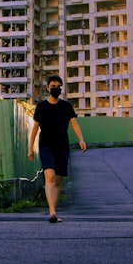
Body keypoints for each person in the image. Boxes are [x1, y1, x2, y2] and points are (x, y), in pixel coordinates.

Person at [28, 76, 87, 223]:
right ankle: (52, 212)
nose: (56, 88)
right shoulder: (41, 107)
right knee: (50, 177)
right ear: (47, 88)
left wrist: (81, 139)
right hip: (46, 146)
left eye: (58, 86)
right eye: (53, 85)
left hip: (62, 147)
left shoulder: (66, 106)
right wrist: (30, 148)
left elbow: (74, 124)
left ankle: (54, 209)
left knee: (59, 180)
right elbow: (35, 129)